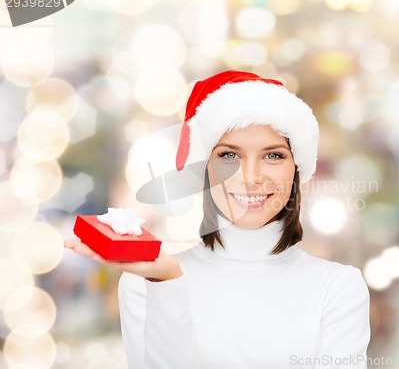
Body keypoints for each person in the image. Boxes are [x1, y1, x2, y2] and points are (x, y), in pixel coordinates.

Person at [65, 70, 371, 368]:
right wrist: (166, 282)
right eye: (229, 156)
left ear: (297, 168)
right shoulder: (145, 282)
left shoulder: (338, 287)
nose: (251, 178)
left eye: (273, 155)